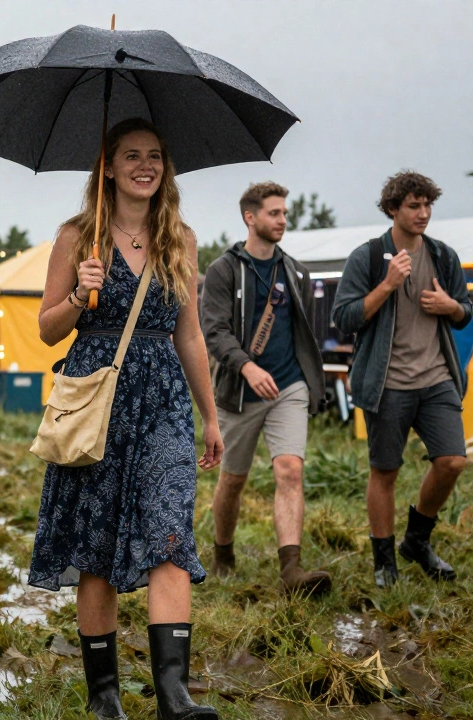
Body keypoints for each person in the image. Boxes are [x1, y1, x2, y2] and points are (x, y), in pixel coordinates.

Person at [30, 118, 223, 720]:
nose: (145, 165)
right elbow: (46, 329)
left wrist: (211, 416)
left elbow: (188, 334)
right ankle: (104, 695)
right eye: (131, 156)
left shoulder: (181, 241)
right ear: (107, 168)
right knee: (97, 547)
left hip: (163, 398)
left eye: (156, 156)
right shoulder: (76, 237)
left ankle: (174, 695)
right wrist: (80, 295)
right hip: (97, 396)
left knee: (170, 535)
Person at [331, 171, 469, 587]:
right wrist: (387, 286)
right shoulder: (369, 257)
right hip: (386, 382)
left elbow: (465, 312)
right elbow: (344, 318)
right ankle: (384, 560)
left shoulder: (444, 256)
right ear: (393, 209)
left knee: (452, 461)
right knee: (385, 471)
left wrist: (451, 306)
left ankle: (418, 540)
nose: (423, 213)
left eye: (427, 205)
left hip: (437, 377)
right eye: (414, 205)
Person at [201, 182, 331, 595]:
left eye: (285, 213)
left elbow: (306, 330)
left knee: (290, 470)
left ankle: (291, 570)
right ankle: (223, 552)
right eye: (275, 213)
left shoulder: (295, 270)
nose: (283, 221)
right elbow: (214, 331)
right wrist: (246, 366)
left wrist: (310, 380)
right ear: (250, 217)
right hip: (240, 393)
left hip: (288, 387)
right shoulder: (224, 270)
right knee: (233, 480)